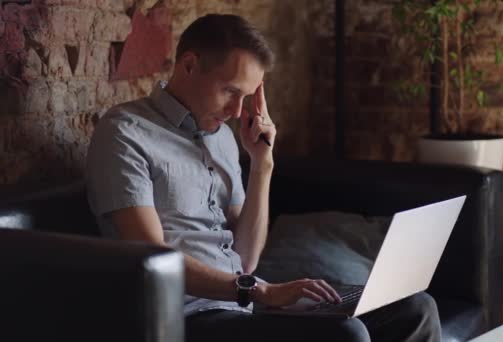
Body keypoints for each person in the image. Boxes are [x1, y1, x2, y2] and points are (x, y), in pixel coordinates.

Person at [86, 14, 441, 342]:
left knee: (415, 308)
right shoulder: (126, 132)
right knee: (346, 334)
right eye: (230, 91)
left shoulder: (223, 137)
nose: (238, 112)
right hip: (187, 318)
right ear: (190, 65)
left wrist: (262, 164)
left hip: (245, 304)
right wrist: (260, 291)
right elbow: (152, 257)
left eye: (246, 96)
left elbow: (246, 259)